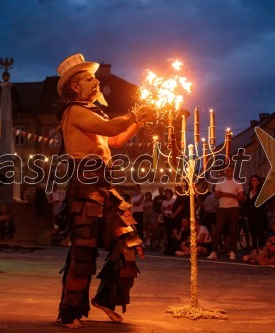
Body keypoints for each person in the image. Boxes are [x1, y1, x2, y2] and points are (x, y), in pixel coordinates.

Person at [55, 53, 153, 329]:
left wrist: (138, 122)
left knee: (127, 247)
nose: (95, 81)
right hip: (85, 190)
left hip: (105, 187)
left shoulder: (93, 112)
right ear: (75, 87)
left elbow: (116, 139)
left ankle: (106, 299)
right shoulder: (74, 112)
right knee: (83, 255)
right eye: (89, 78)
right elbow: (111, 127)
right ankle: (69, 313)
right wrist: (134, 113)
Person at [207, 165, 245, 260]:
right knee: (218, 229)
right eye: (226, 170)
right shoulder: (220, 182)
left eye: (230, 170)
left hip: (234, 208)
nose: (228, 172)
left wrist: (230, 195)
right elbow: (216, 195)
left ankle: (233, 251)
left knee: (233, 229)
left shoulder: (237, 182)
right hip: (222, 208)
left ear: (232, 171)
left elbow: (241, 197)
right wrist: (225, 194)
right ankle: (214, 251)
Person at [243, 175, 267, 252]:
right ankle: (254, 248)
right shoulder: (250, 191)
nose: (253, 182)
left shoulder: (261, 191)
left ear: (258, 182)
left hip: (258, 214)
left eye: (255, 180)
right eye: (252, 180)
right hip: (250, 215)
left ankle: (260, 248)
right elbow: (247, 203)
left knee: (260, 232)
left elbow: (263, 203)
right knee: (252, 231)